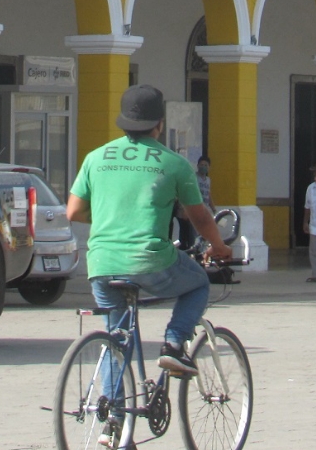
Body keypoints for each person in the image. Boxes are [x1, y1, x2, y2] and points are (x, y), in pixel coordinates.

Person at [67, 84, 232, 385]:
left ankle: (111, 424)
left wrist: (112, 215)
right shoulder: (174, 164)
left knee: (117, 340)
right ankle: (173, 345)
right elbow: (200, 217)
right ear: (160, 123)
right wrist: (219, 246)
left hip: (101, 263)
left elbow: (74, 212)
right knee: (197, 284)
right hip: (149, 260)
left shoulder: (96, 158)